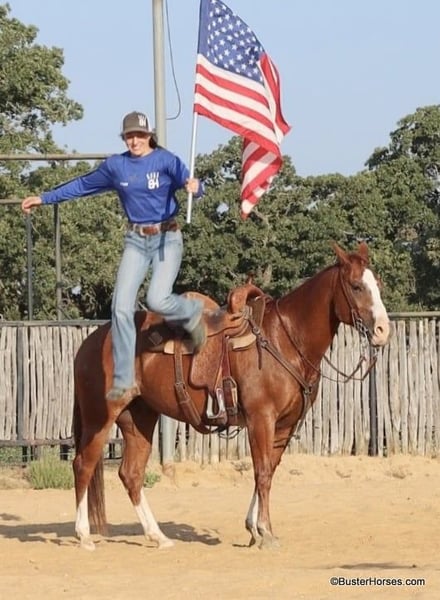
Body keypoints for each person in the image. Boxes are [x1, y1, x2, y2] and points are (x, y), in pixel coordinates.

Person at [21, 110, 206, 402]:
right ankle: (124, 376)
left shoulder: (165, 160)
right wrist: (44, 198)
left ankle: (191, 312)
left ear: (149, 136)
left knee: (157, 298)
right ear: (124, 138)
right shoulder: (116, 166)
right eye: (129, 136)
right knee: (120, 306)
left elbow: (190, 183)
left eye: (140, 135)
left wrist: (197, 188)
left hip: (167, 238)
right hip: (136, 240)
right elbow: (81, 185)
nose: (135, 141)